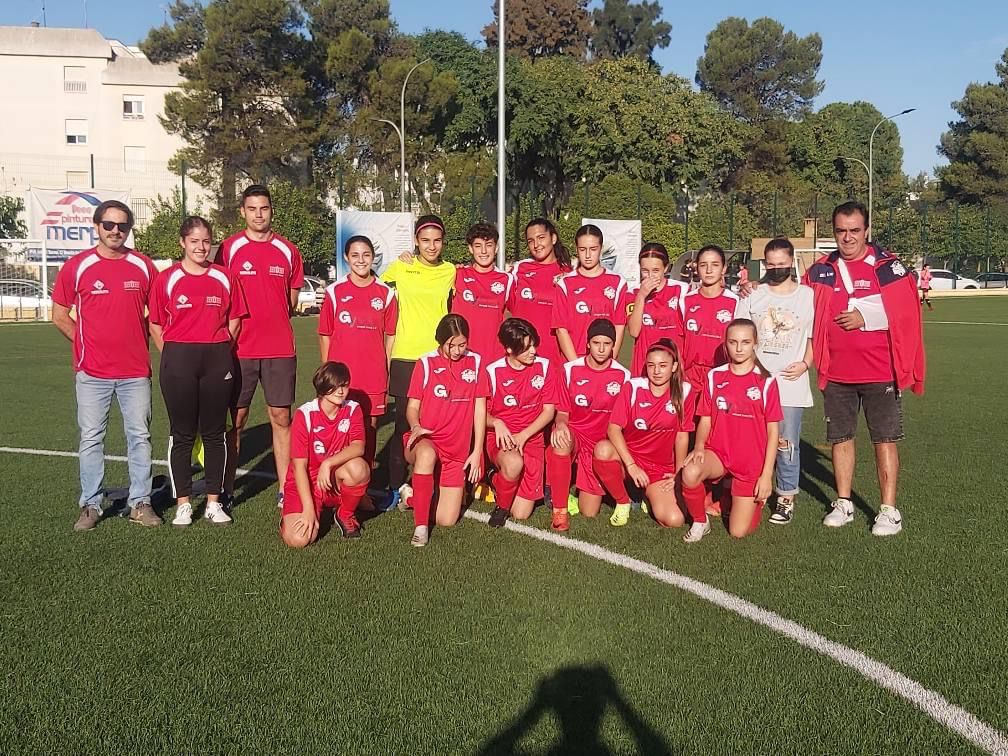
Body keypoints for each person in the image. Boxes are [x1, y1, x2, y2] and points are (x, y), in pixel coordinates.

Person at [806, 201, 925, 536]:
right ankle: (843, 502)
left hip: (880, 371)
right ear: (834, 232)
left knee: (884, 440)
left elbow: (907, 313)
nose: (848, 237)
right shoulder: (820, 269)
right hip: (837, 373)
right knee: (840, 439)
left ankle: (889, 510)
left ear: (867, 231)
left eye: (855, 230)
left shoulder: (889, 267)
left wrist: (867, 317)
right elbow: (797, 304)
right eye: (841, 231)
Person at [51, 200, 161, 530]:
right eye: (109, 225)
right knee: (91, 439)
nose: (115, 231)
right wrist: (85, 344)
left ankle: (140, 503)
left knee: (139, 437)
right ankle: (91, 504)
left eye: (122, 226)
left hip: (134, 372)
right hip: (92, 373)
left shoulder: (143, 266)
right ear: (97, 226)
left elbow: (158, 312)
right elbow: (59, 315)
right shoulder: (77, 266)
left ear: (129, 230)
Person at [149, 216, 247, 527]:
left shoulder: (225, 277)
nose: (201, 247)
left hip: (217, 357)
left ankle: (214, 503)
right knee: (182, 434)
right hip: (178, 358)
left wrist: (219, 348)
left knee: (215, 432)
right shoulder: (166, 279)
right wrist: (175, 353)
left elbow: (235, 319)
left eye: (206, 241)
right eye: (194, 241)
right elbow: (155, 323)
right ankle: (183, 504)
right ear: (182, 243)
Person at [217, 184, 305, 507]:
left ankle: (286, 489)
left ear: (271, 210)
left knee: (281, 417)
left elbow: (292, 302)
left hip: (280, 349)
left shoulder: (289, 251)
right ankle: (225, 489)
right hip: (239, 350)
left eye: (264, 208)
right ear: (242, 211)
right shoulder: (227, 250)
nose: (258, 214)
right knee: (235, 420)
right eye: (252, 209)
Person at [679, 319, 782, 543]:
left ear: (755, 343)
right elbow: (705, 418)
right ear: (725, 344)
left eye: (745, 342)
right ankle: (700, 521)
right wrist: (698, 446)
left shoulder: (766, 381)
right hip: (719, 453)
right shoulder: (714, 376)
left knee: (737, 531)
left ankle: (746, 497)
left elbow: (773, 432)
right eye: (733, 342)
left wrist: (766, 476)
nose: (738, 348)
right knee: (690, 471)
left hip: (750, 462)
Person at [735, 238, 814, 525]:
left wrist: (805, 364)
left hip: (791, 385)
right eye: (772, 264)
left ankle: (786, 497)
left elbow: (814, 338)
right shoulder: (753, 295)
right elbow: (738, 335)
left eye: (782, 264)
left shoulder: (807, 296)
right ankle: (750, 490)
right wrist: (753, 367)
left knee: (786, 443)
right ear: (765, 264)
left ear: (791, 262)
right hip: (756, 382)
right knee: (752, 440)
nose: (777, 268)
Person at [381, 215, 456, 510]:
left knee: (435, 422)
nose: (431, 246)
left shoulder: (451, 271)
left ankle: (426, 481)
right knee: (403, 425)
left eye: (437, 240)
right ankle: (396, 486)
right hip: (405, 357)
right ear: (415, 241)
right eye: (425, 240)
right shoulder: (402, 266)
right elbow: (375, 288)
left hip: (437, 359)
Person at [400, 314, 488, 547]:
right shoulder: (426, 363)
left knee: (447, 520)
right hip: (425, 441)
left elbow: (480, 409)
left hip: (456, 451)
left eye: (462, 344)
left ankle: (411, 496)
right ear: (441, 340)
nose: (458, 350)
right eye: (452, 345)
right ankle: (420, 528)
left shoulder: (477, 362)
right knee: (427, 455)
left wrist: (476, 451)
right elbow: (412, 407)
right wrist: (416, 426)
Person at [593, 339, 694, 529]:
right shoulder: (632, 387)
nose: (656, 371)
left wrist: (678, 473)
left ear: (674, 367)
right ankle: (624, 501)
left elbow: (682, 435)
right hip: (630, 460)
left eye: (663, 365)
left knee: (675, 520)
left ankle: (646, 495)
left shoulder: (684, 391)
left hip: (659, 469)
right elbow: (613, 428)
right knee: (602, 450)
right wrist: (631, 465)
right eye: (651, 365)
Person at [318, 235, 397, 464]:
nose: (361, 260)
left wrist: (386, 367)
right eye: (355, 255)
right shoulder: (334, 292)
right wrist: (327, 371)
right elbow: (325, 334)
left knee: (369, 427)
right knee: (337, 425)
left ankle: (365, 483)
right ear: (346, 257)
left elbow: (390, 335)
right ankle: (334, 481)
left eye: (366, 255)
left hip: (373, 374)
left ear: (373, 257)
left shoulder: (386, 293)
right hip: (341, 376)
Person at [546, 318, 631, 530]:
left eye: (606, 344)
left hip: (601, 444)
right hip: (576, 436)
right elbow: (562, 411)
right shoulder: (569, 370)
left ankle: (581, 489)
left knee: (589, 512)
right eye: (596, 343)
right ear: (587, 344)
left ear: (613, 346)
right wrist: (561, 424)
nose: (601, 349)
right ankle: (560, 511)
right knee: (560, 439)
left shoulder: (623, 376)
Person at [280, 362, 371, 547]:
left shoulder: (352, 408)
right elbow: (299, 467)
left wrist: (327, 463)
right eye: (334, 386)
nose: (340, 391)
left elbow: (359, 446)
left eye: (344, 385)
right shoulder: (304, 415)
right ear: (322, 387)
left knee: (359, 468)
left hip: (332, 478)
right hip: (306, 482)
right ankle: (289, 518)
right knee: (298, 540)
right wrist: (308, 509)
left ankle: (344, 514)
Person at [484, 318, 559, 528]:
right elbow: (479, 415)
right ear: (509, 349)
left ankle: (495, 478)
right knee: (514, 463)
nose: (533, 351)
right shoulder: (492, 372)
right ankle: (501, 508)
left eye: (534, 344)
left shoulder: (544, 367)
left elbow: (548, 411)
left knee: (522, 514)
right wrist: (497, 422)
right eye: (526, 348)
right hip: (502, 438)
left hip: (531, 438)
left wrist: (524, 436)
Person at [553, 224, 629, 360]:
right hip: (574, 361)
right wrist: (576, 365)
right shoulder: (565, 283)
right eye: (582, 249)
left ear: (600, 249)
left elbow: (619, 325)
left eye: (593, 249)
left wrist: (610, 359)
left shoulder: (618, 283)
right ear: (577, 249)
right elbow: (561, 329)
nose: (588, 255)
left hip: (605, 364)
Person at [508, 218, 573, 365]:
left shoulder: (568, 275)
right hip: (521, 357)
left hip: (554, 360)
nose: (536, 245)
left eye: (541, 238)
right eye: (531, 241)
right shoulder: (519, 269)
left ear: (553, 238)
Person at [678, 245, 740, 390]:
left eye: (715, 265)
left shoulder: (735, 302)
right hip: (689, 376)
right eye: (703, 265)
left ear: (724, 268)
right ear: (696, 268)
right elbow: (679, 340)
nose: (709, 270)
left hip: (721, 376)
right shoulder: (685, 301)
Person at [451, 222, 512, 361]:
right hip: (462, 356)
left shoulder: (508, 279)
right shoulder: (457, 274)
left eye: (489, 245)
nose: (484, 251)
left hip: (495, 357)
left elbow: (513, 314)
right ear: (470, 249)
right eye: (478, 246)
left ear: (496, 248)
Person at [626, 243, 688, 376]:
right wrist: (641, 296)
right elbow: (634, 331)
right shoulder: (633, 293)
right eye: (645, 271)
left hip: (673, 366)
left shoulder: (681, 290)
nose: (650, 276)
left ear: (665, 268)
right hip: (644, 364)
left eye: (655, 271)